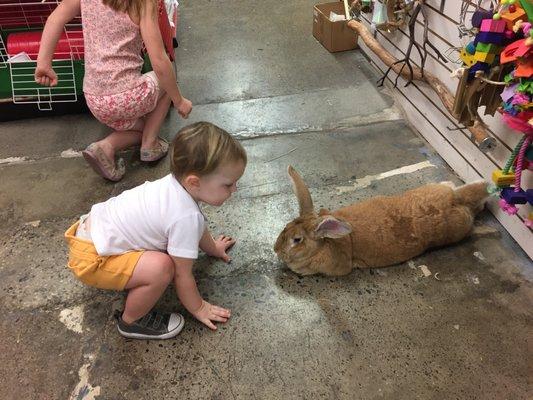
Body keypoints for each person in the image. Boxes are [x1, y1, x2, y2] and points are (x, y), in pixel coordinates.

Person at [64, 122, 247, 339]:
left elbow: (197, 226)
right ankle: (131, 321)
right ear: (194, 182)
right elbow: (182, 274)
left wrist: (213, 247)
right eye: (228, 185)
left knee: (163, 256)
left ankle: (130, 278)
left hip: (90, 234)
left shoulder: (175, 186)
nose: (235, 189)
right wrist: (198, 307)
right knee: (163, 267)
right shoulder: (185, 216)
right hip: (94, 260)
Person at [35, 0, 192, 181]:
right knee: (167, 79)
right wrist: (179, 100)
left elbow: (55, 18)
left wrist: (44, 63)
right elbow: (159, 60)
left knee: (143, 126)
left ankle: (106, 146)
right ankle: (150, 145)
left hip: (94, 99)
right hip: (127, 96)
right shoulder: (143, 3)